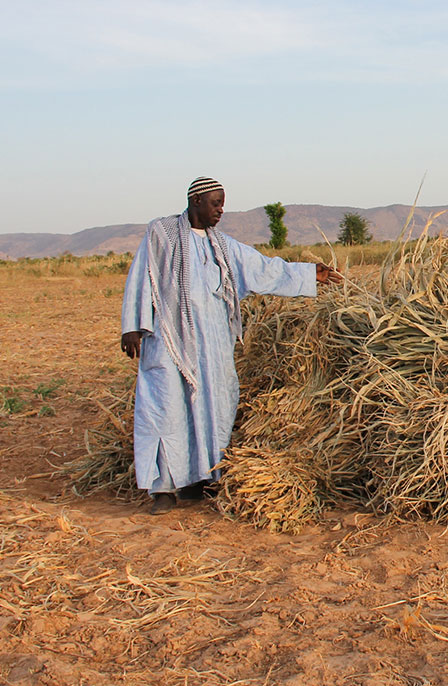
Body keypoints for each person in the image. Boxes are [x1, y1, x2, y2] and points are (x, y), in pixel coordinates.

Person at [119, 176, 343, 514]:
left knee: (213, 407)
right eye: (215, 203)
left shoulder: (222, 246)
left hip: (214, 343)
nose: (221, 210)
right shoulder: (161, 234)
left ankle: (200, 479)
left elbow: (263, 269)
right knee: (166, 410)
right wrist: (133, 326)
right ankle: (162, 489)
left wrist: (311, 274)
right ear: (195, 202)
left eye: (223, 203)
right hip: (169, 340)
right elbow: (142, 275)